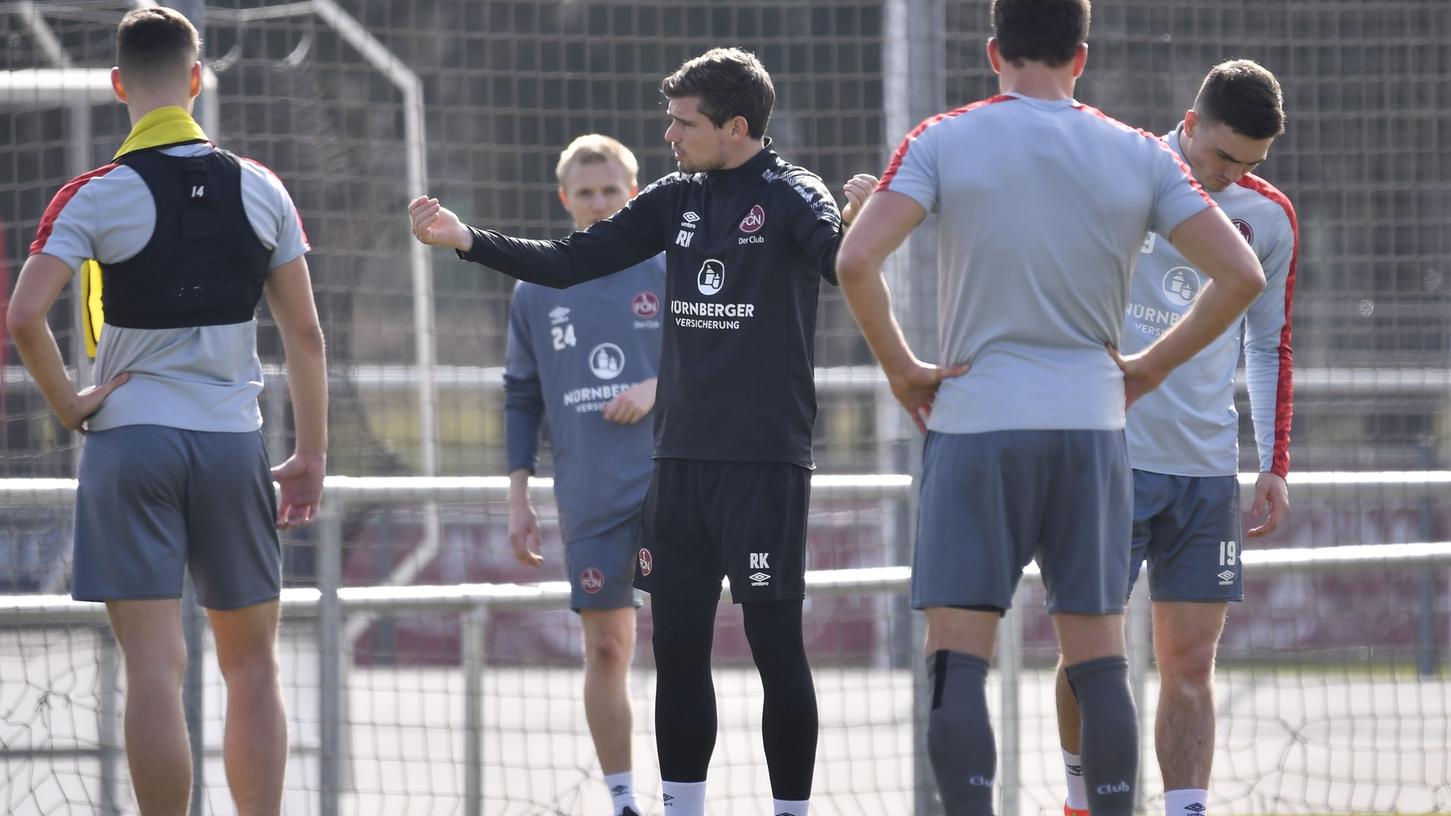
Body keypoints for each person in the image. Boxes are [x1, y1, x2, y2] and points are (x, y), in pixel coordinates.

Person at [410, 47, 875, 816]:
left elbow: (839, 265)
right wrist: (467, 239)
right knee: (678, 651)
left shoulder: (795, 195)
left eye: (682, 121)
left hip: (762, 464)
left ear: (735, 126)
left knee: (775, 651)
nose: (668, 134)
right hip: (679, 465)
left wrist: (863, 217)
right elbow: (567, 261)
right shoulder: (673, 198)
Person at [834, 0, 1267, 813]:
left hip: (973, 424)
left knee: (957, 658)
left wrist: (901, 370)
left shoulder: (942, 137)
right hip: (1092, 431)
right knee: (1099, 657)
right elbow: (1241, 274)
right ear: (1082, 56)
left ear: (993, 49)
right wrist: (1147, 368)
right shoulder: (1136, 153)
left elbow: (856, 259)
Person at [6, 8, 326, 815]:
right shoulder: (261, 187)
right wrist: (312, 454)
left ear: (118, 87)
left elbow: (21, 318)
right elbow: (307, 336)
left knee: (154, 667)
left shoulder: (93, 194)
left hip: (129, 442)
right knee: (252, 667)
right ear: (196, 80)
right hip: (231, 445)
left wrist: (70, 404)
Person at [1055, 58, 1297, 816]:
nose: (1231, 175)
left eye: (1249, 163)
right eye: (1222, 155)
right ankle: (1079, 803)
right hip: (1106, 458)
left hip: (1202, 472)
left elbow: (1268, 345)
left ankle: (1185, 808)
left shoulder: (1268, 218)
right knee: (1087, 658)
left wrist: (1272, 462)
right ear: (1188, 126)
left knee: (1189, 664)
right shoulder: (1119, 171)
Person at [504, 133, 666, 816]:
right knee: (605, 649)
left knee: (682, 648)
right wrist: (518, 496)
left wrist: (660, 386)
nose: (598, 205)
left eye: (610, 192)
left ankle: (686, 794)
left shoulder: (669, 268)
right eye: (585, 193)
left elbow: (723, 357)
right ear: (563, 199)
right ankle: (623, 799)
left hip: (672, 488)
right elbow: (520, 396)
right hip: (590, 496)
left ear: (632, 193)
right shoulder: (536, 285)